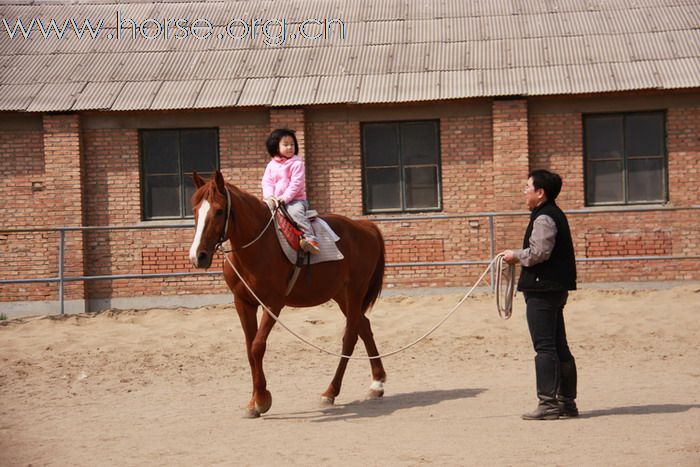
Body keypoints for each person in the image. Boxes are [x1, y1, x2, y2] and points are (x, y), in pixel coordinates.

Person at [503, 169, 578, 420]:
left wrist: (515, 256)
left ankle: (547, 404)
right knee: (558, 345)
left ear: (540, 192)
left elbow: (538, 253)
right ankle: (567, 402)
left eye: (527, 187)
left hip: (542, 288)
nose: (524, 191)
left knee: (544, 347)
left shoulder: (544, 218)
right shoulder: (551, 214)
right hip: (554, 287)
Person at [262, 128, 320, 255]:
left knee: (295, 213)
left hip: (295, 200)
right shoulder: (271, 165)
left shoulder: (297, 163)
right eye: (286, 144)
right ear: (276, 147)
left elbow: (296, 184)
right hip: (276, 201)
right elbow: (267, 182)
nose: (290, 147)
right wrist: (269, 197)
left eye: (292, 144)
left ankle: (310, 239)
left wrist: (285, 198)